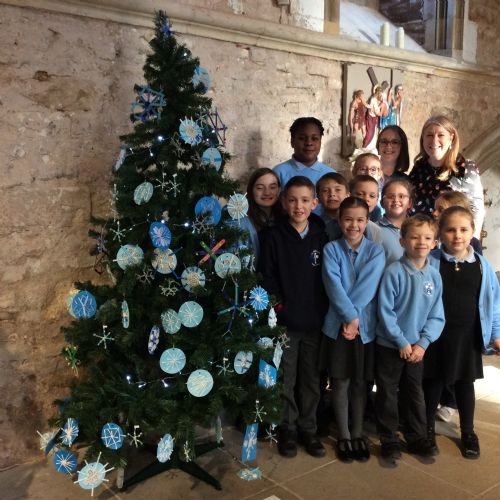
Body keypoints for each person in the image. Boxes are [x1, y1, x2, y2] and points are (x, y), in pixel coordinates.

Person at [258, 176, 329, 459]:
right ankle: (287, 427)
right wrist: (280, 308)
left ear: (314, 203)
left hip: (315, 322)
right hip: (286, 322)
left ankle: (308, 428)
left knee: (311, 379)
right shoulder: (273, 236)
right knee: (286, 377)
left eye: (304, 200)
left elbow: (329, 279)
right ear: (284, 203)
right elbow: (267, 276)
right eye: (292, 200)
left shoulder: (322, 236)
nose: (298, 206)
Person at [424, 206, 500, 459]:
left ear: (472, 231)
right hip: (435, 335)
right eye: (450, 230)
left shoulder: (482, 266)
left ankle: (468, 431)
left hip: (468, 336)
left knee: (465, 383)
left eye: (463, 229)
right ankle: (426, 428)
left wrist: (496, 334)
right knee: (432, 381)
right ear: (440, 232)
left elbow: (493, 303)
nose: (457, 235)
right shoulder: (431, 261)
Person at [376, 214, 445, 463]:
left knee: (414, 392)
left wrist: (422, 343)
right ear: (402, 241)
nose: (421, 242)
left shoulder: (435, 277)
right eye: (415, 237)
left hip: (417, 349)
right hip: (390, 345)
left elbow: (437, 315)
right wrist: (401, 341)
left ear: (435, 243)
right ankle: (389, 439)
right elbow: (385, 311)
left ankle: (416, 437)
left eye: (427, 238)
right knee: (387, 393)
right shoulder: (393, 272)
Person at [321, 197, 385, 462]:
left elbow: (368, 286)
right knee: (340, 381)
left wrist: (354, 319)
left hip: (365, 329)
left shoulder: (376, 251)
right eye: (348, 219)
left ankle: (358, 433)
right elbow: (333, 286)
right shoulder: (331, 249)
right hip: (338, 327)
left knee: (360, 382)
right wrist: (348, 318)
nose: (354, 225)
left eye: (360, 220)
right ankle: (344, 435)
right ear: (339, 220)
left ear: (367, 221)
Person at [409, 115, 484, 239]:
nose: (434, 140)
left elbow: (476, 211)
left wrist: (470, 242)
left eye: (441, 135)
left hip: (452, 242)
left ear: (451, 138)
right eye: (429, 135)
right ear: (423, 139)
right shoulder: (418, 168)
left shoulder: (465, 168)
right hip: (420, 240)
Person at [273, 117, 335, 189]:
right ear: (292, 141)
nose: (309, 143)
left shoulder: (331, 174)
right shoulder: (279, 173)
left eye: (314, 138)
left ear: (320, 142)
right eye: (302, 138)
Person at [238, 168, 281, 264]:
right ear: (251, 190)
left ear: (279, 189)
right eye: (260, 188)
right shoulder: (241, 221)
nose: (267, 193)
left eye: (272, 187)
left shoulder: (285, 216)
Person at [377, 179, 413, 267]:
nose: (396, 200)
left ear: (409, 203)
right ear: (382, 203)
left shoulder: (419, 228)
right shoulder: (374, 229)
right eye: (390, 196)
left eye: (401, 196)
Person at [316, 172, 349, 240]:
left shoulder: (357, 223)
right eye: (325, 190)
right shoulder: (314, 225)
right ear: (318, 197)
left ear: (347, 195)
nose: (332, 194)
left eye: (338, 190)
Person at [352, 153, 384, 222]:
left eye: (373, 169)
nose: (368, 173)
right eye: (363, 169)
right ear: (354, 172)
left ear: (379, 174)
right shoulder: (347, 193)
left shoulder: (384, 198)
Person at [349, 175, 382, 240]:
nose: (366, 199)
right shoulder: (339, 224)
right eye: (360, 194)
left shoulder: (376, 230)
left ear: (376, 201)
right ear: (349, 195)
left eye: (372, 196)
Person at [362, 85, 383, 149]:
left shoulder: (376, 99)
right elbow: (373, 109)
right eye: (380, 93)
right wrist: (380, 112)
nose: (381, 95)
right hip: (371, 118)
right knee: (370, 134)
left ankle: (367, 147)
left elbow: (374, 108)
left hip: (374, 117)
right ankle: (364, 147)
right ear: (378, 93)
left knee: (373, 133)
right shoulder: (373, 99)